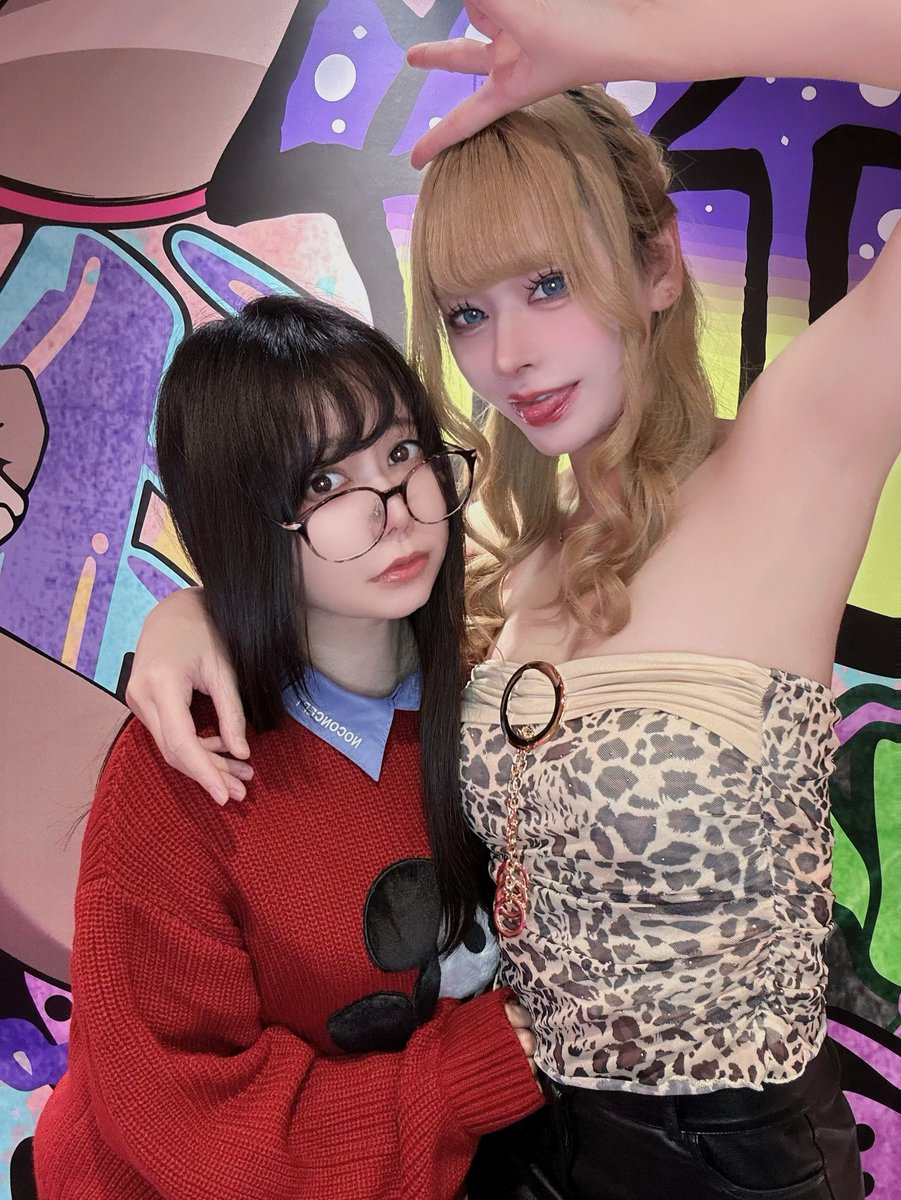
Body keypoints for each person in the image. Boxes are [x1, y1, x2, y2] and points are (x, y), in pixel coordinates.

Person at [125, 5, 901, 1198]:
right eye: (469, 314)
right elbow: (331, 635)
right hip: (514, 1139)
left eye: (549, 284)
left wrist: (632, 43)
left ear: (655, 266)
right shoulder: (505, 553)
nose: (510, 357)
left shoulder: (788, 464)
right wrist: (188, 616)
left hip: (733, 1161)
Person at [33, 294, 543, 1200]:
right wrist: (467, 1076)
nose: (393, 510)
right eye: (323, 485)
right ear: (242, 519)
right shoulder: (189, 766)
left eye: (400, 453)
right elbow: (187, 1121)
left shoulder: (485, 701)